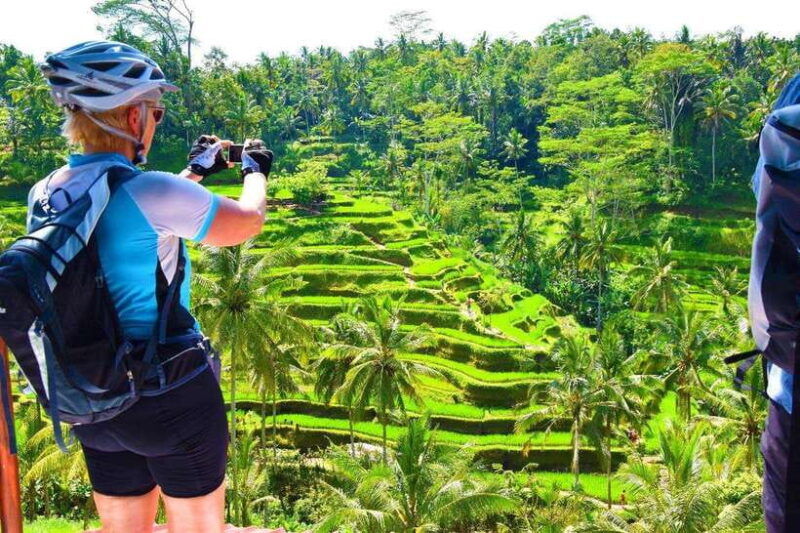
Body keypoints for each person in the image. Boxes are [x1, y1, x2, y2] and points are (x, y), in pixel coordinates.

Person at [34, 41, 272, 533]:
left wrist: (198, 172)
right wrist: (255, 173)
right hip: (168, 393)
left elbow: (130, 217)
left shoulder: (48, 191)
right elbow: (245, 223)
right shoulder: (154, 190)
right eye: (155, 111)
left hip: (93, 395)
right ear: (135, 117)